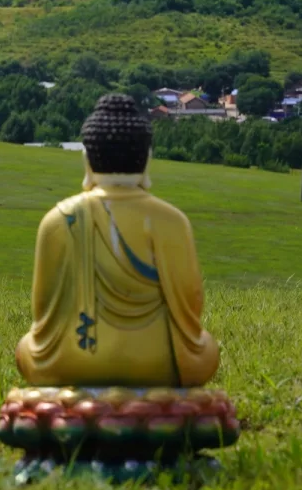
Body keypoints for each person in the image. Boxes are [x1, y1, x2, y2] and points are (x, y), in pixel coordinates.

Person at [16, 94, 219, 387]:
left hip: (72, 363)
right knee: (207, 348)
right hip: (158, 365)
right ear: (147, 159)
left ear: (87, 160)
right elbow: (191, 305)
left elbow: (42, 316)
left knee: (27, 347)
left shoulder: (59, 219)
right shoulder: (171, 221)